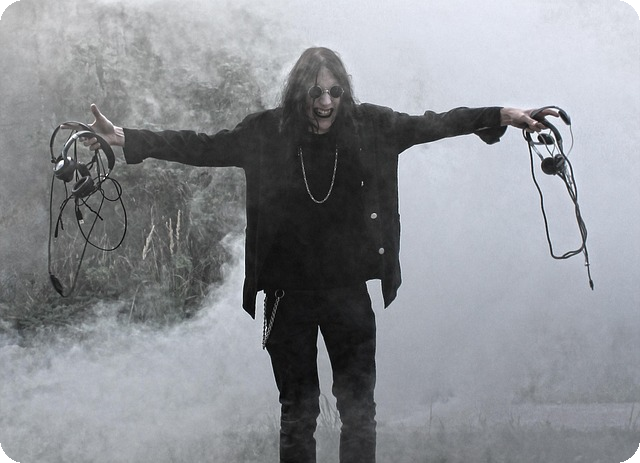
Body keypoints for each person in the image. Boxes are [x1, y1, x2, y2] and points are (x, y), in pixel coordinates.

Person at [78, 47, 556, 463]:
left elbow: (435, 123)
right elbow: (201, 146)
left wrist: (501, 115)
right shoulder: (266, 132)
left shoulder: (371, 127)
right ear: (299, 92)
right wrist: (126, 137)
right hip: (288, 298)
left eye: (334, 92)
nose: (325, 102)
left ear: (344, 93)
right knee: (298, 412)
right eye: (315, 92)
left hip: (348, 294)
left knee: (359, 411)